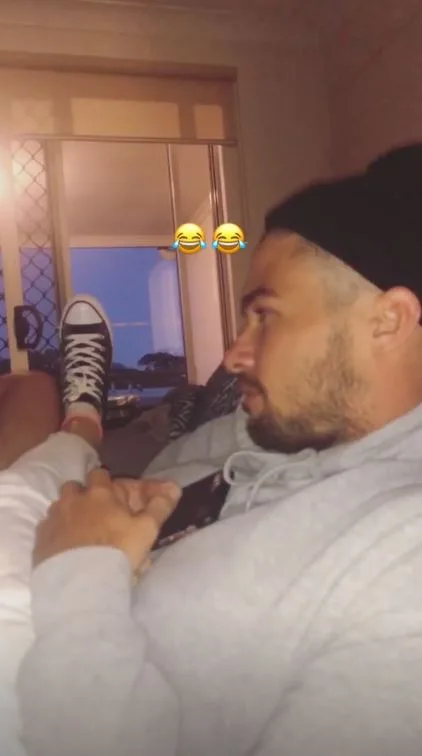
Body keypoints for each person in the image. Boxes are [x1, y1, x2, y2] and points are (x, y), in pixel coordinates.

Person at [13, 143, 422, 756]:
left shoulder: (404, 558)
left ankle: (81, 425)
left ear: (388, 321)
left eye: (265, 315)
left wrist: (81, 569)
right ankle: (82, 425)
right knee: (28, 396)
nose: (232, 356)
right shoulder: (286, 429)